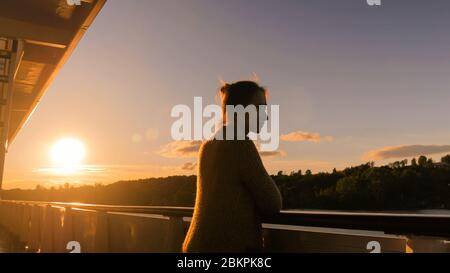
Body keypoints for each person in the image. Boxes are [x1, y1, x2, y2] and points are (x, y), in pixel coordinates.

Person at [182, 81, 282, 253]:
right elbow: (272, 203)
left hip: (196, 246)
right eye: (259, 107)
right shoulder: (239, 143)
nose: (265, 116)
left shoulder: (208, 144)